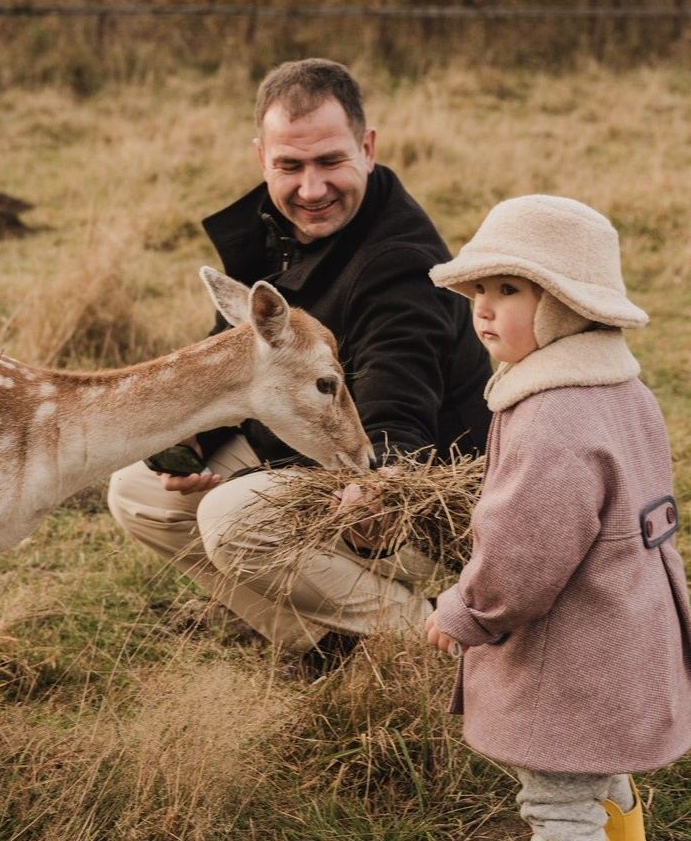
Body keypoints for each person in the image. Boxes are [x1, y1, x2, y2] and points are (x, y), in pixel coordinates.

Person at [108, 57, 491, 659]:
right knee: (138, 490)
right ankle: (323, 648)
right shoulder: (272, 231)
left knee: (236, 520)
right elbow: (233, 361)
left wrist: (385, 481)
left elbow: (399, 396)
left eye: (330, 161)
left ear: (366, 147)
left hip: (418, 499)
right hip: (301, 449)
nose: (311, 189)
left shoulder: (400, 263)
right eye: (290, 166)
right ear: (263, 158)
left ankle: (443, 643)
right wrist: (194, 445)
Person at [425, 195, 691, 841]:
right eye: (480, 288)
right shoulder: (622, 389)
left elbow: (523, 553)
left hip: (573, 661)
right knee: (600, 778)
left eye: (510, 289)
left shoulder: (552, 417)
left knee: (560, 805)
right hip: (628, 635)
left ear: (568, 304)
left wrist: (466, 610)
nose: (484, 307)